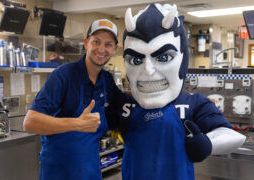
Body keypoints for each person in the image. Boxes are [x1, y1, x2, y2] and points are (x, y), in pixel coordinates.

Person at [105, 3, 246, 180]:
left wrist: (209, 143)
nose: (148, 70)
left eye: (163, 58)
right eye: (135, 60)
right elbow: (93, 126)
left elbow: (233, 136)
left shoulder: (192, 104)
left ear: (182, 59)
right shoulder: (124, 105)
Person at [23, 19, 125, 180]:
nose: (101, 49)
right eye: (96, 42)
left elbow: (124, 105)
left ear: (114, 50)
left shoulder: (107, 80)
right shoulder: (63, 76)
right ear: (86, 43)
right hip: (58, 173)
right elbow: (30, 122)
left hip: (90, 171)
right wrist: (77, 123)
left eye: (108, 44)